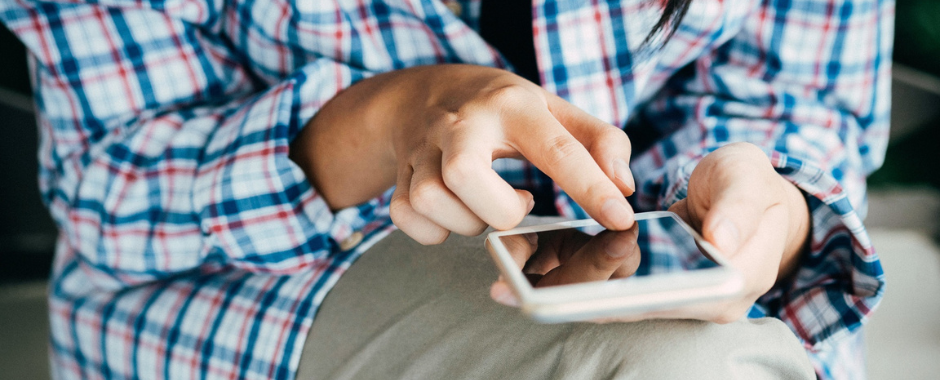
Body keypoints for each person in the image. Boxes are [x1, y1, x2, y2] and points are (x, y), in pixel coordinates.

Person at [0, 0, 890, 378]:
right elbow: (105, 188)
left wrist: (773, 203)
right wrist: (387, 120)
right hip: (243, 286)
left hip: (609, 244)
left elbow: (797, 93)